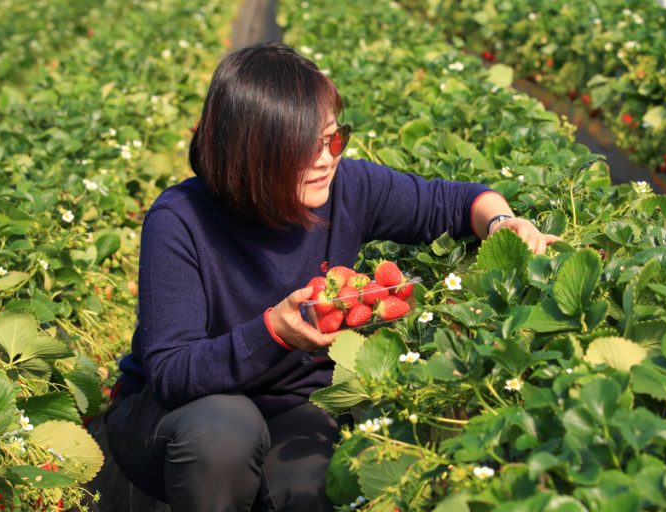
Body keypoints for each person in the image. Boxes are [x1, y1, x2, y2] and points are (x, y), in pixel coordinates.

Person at [104, 41, 558, 511]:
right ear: (250, 153)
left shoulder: (346, 188)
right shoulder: (180, 221)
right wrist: (273, 333)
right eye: (305, 145)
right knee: (224, 434)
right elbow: (172, 373)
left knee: (313, 489)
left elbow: (451, 202)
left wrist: (503, 224)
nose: (325, 158)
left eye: (334, 138)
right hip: (176, 415)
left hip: (292, 406)